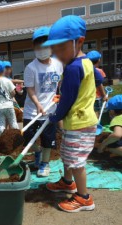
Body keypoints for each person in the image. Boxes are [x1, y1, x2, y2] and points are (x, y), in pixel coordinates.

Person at [43, 15, 104, 212]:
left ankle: (84, 198)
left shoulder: (72, 68)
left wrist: (55, 116)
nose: (57, 54)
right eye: (55, 49)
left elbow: (68, 99)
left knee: (76, 162)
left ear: (79, 42)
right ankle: (67, 182)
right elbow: (96, 79)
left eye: (61, 48)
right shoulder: (87, 63)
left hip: (79, 122)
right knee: (68, 155)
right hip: (81, 121)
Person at [23, 26, 63, 177]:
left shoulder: (58, 65)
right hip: (31, 111)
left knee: (48, 140)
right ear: (34, 47)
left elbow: (59, 85)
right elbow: (30, 90)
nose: (42, 49)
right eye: (38, 46)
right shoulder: (31, 68)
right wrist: (38, 104)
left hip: (50, 111)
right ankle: (37, 152)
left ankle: (44, 164)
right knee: (28, 138)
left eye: (45, 46)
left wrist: (60, 96)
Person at [0, 60, 19, 134]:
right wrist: (10, 97)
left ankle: (3, 139)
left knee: (1, 125)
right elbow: (13, 92)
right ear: (3, 70)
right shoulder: (7, 80)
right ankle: (16, 138)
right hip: (9, 106)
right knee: (13, 123)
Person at [87, 50, 107, 116]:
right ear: (99, 60)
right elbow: (100, 84)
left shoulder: (85, 70)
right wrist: (104, 95)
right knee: (96, 112)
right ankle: (96, 125)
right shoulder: (99, 71)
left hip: (87, 95)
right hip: (97, 96)